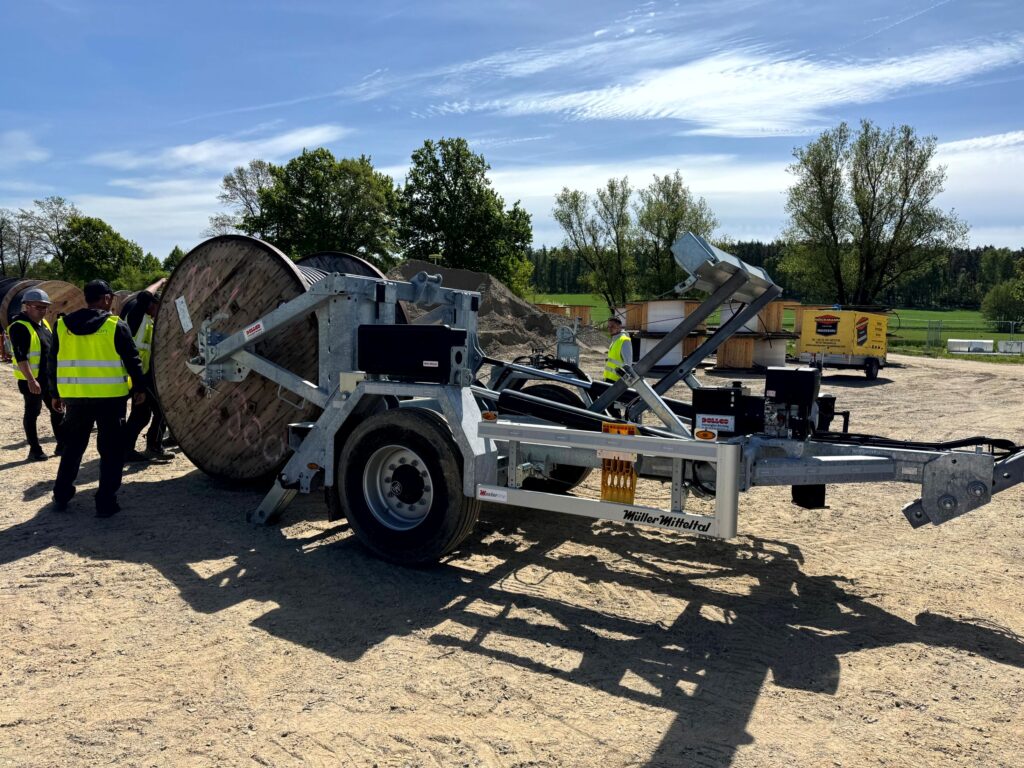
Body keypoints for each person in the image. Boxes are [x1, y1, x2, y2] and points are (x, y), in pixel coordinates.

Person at [47, 279, 146, 517]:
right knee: (111, 452)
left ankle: (61, 493)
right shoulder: (115, 326)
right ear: (108, 299)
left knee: (73, 448)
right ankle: (105, 502)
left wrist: (55, 393)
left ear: (86, 298)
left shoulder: (62, 326)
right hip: (111, 400)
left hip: (76, 399)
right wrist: (140, 389)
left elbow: (52, 362)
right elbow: (133, 360)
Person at [9, 288, 64, 461]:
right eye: (39, 307)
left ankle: (62, 445)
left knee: (57, 410)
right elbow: (21, 357)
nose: (43, 310)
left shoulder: (44, 324)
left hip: (47, 378)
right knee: (33, 412)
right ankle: (34, 449)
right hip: (32, 380)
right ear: (26, 306)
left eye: (45, 307)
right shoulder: (19, 327)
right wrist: (31, 380)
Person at [120, 290, 172, 462]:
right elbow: (144, 295)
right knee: (162, 410)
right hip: (138, 375)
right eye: (159, 306)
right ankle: (154, 447)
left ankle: (126, 449)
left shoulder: (148, 320)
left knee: (140, 415)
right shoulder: (137, 314)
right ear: (151, 303)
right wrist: (162, 281)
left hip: (144, 374)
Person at [603, 315, 633, 383]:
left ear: (619, 327)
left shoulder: (624, 340)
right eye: (609, 326)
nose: (610, 329)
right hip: (609, 378)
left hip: (617, 381)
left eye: (613, 326)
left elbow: (628, 364)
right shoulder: (615, 340)